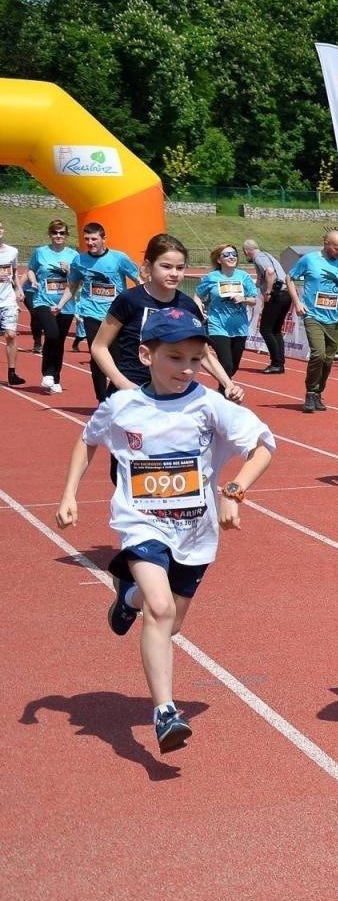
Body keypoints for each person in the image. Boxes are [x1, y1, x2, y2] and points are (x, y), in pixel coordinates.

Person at [54, 307, 275, 754]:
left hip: (196, 532)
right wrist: (69, 494)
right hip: (141, 522)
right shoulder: (123, 405)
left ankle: (126, 595)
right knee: (159, 609)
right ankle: (165, 711)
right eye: (175, 358)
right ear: (146, 354)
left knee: (169, 622)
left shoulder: (211, 405)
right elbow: (88, 440)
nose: (187, 369)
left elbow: (263, 446)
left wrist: (234, 489)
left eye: (196, 359)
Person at [90, 234, 243, 405]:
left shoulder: (188, 306)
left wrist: (228, 384)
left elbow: (204, 354)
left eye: (180, 268)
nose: (174, 273)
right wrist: (122, 384)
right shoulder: (130, 300)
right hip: (130, 394)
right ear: (149, 266)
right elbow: (99, 346)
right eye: (166, 266)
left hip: (172, 395)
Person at [66, 223, 142, 400]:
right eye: (87, 239)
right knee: (97, 355)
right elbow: (73, 285)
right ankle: (102, 400)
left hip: (116, 315)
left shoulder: (119, 258)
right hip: (91, 312)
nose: (90, 242)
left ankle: (115, 394)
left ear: (103, 239)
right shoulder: (79, 260)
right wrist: (62, 304)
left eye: (94, 239)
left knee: (117, 358)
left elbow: (137, 279)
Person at [288, 229, 338, 413]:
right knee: (318, 353)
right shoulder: (309, 260)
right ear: (326, 243)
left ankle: (318, 392)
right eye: (336, 248)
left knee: (328, 359)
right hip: (312, 315)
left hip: (334, 317)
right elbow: (290, 277)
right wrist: (297, 302)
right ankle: (310, 392)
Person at [27, 220, 77, 393]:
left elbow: (79, 279)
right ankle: (47, 373)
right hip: (43, 301)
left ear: (66, 235)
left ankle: (56, 378)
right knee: (52, 335)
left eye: (62, 233)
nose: (58, 236)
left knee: (60, 342)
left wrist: (70, 269)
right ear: (50, 234)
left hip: (66, 304)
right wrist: (33, 280)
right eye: (55, 233)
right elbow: (31, 269)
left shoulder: (73, 255)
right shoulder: (40, 252)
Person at [195, 243, 260, 379]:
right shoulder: (212, 277)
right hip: (217, 325)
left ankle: (223, 389)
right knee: (227, 364)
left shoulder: (243, 276)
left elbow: (254, 300)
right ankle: (226, 393)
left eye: (234, 254)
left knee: (233, 367)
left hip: (239, 327)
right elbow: (197, 295)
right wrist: (200, 311)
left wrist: (243, 299)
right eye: (227, 255)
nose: (232, 257)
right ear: (219, 259)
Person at [242, 238, 290, 374]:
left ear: (246, 251)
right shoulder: (267, 255)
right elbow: (261, 278)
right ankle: (279, 362)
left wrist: (268, 292)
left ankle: (276, 362)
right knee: (275, 330)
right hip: (286, 294)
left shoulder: (258, 258)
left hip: (277, 294)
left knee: (266, 329)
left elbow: (269, 272)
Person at [0, 221, 22, 386]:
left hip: (8, 300)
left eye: (0, 227)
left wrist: (18, 289)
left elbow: (14, 273)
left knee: (11, 335)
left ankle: (12, 373)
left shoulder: (12, 251)